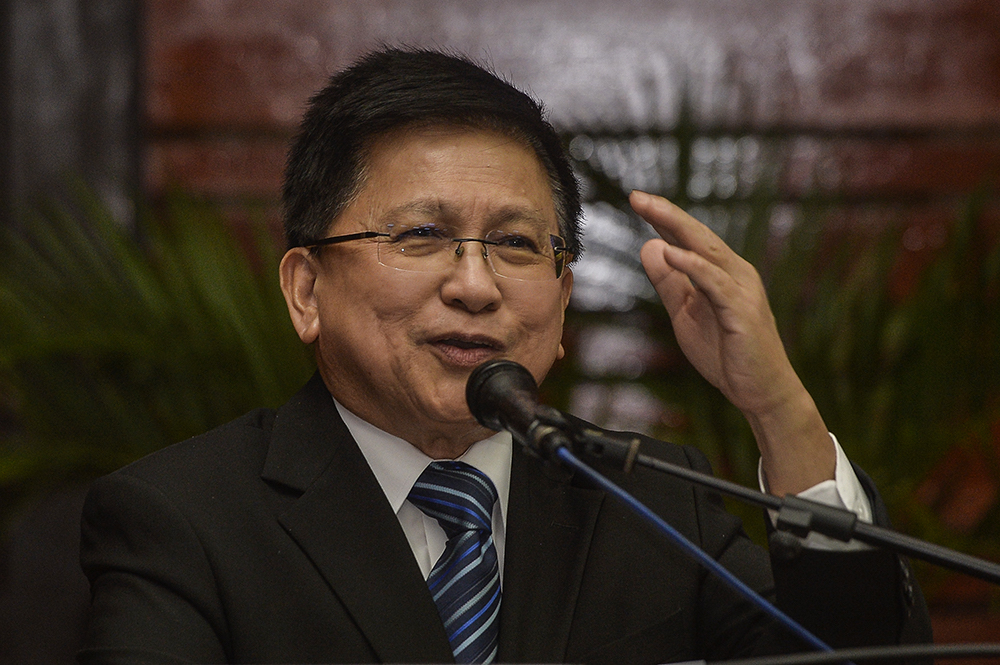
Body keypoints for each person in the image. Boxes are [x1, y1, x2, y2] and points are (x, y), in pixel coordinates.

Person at [79, 48, 931, 664]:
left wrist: (778, 407)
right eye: (423, 235)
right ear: (306, 290)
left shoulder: (652, 505)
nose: (477, 286)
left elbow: (856, 659)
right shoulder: (182, 522)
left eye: (518, 245)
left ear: (563, 306)